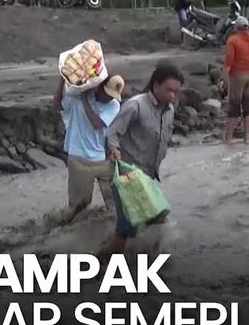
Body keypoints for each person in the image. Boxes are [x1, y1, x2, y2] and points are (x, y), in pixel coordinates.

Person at [100, 63, 185, 257]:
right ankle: (98, 263)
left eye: (176, 91)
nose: (172, 95)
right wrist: (114, 149)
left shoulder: (170, 110)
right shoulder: (136, 105)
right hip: (126, 176)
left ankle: (151, 258)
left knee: (159, 216)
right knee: (126, 227)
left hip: (146, 177)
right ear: (155, 85)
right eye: (168, 90)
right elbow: (112, 132)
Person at [48, 75, 125, 226]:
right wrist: (62, 80)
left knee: (115, 205)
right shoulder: (77, 98)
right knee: (78, 207)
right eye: (107, 94)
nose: (109, 99)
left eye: (113, 96)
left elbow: (97, 123)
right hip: (79, 159)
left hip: (104, 159)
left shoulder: (114, 105)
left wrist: (84, 101)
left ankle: (110, 233)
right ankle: (59, 228)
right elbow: (57, 105)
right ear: (99, 87)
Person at [222, 17, 249, 144]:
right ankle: (247, 138)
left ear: (236, 28)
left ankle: (228, 139)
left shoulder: (233, 40)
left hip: (238, 75)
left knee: (234, 106)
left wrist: (224, 79)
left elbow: (229, 62)